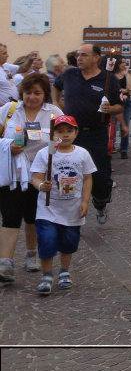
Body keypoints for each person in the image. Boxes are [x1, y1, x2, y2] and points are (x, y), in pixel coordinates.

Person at [0, 73, 63, 283]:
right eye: (28, 92)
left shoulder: (53, 113)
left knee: (33, 217)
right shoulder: (9, 111)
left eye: (37, 93)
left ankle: (31, 254)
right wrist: (9, 146)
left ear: (44, 94)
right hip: (14, 174)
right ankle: (5, 262)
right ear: (22, 93)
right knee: (10, 216)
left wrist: (55, 146)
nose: (32, 97)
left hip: (40, 174)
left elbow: (64, 138)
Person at [53, 44, 122, 225]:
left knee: (100, 176)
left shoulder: (108, 79)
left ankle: (100, 203)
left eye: (84, 55)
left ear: (96, 58)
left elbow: (119, 106)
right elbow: (55, 86)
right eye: (78, 55)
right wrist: (56, 104)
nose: (79, 58)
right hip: (70, 134)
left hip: (96, 134)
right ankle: (71, 213)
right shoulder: (70, 74)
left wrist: (110, 108)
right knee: (67, 171)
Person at [29, 114, 97, 296]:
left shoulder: (82, 153)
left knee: (69, 242)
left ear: (76, 132)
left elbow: (88, 178)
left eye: (69, 131)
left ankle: (64, 271)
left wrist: (85, 201)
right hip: (48, 209)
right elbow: (35, 177)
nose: (65, 135)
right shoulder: (46, 152)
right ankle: (47, 275)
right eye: (60, 131)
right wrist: (42, 185)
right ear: (52, 134)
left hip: (72, 210)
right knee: (47, 239)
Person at [112, 60, 131, 160]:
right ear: (118, 64)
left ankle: (124, 149)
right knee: (112, 126)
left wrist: (127, 74)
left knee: (125, 125)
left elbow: (130, 88)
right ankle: (111, 146)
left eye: (125, 62)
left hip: (126, 102)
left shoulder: (126, 74)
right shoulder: (112, 75)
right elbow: (114, 89)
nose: (125, 64)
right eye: (123, 62)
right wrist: (122, 90)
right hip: (114, 102)